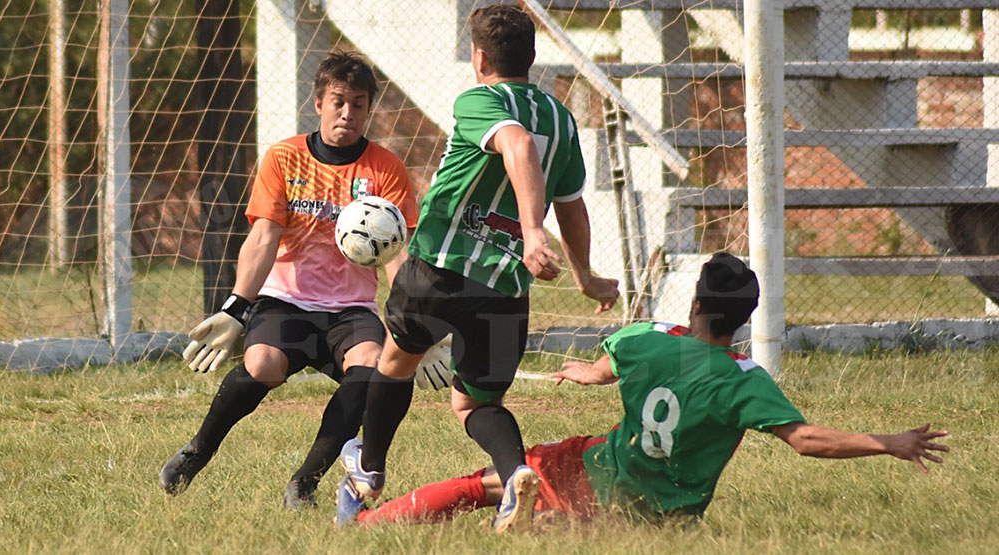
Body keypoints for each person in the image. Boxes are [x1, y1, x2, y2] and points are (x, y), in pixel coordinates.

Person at [347, 252, 950, 527]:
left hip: (604, 476)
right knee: (560, 506)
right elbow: (808, 440)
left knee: (489, 483)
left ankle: (369, 525)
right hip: (670, 515)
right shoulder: (746, 382)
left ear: (693, 303)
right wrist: (887, 441)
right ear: (746, 319)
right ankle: (554, 521)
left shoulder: (647, 339)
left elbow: (610, 360)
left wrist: (586, 373)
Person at [336, 3, 620, 532]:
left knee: (396, 361)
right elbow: (573, 202)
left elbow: (515, 145)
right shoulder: (561, 119)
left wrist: (533, 230)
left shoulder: (479, 100)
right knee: (474, 404)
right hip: (505, 289)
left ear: (479, 56)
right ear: (532, 59)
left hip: (439, 270)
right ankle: (514, 478)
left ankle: (369, 467)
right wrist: (584, 274)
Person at [158, 51, 419, 509]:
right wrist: (238, 306)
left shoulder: (386, 170)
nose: (347, 113)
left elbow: (396, 256)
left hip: (351, 310)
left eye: (358, 103)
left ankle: (305, 482)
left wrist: (414, 321)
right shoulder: (284, 157)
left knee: (373, 371)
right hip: (287, 302)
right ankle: (198, 450)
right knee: (262, 367)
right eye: (338, 101)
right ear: (317, 102)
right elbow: (263, 237)